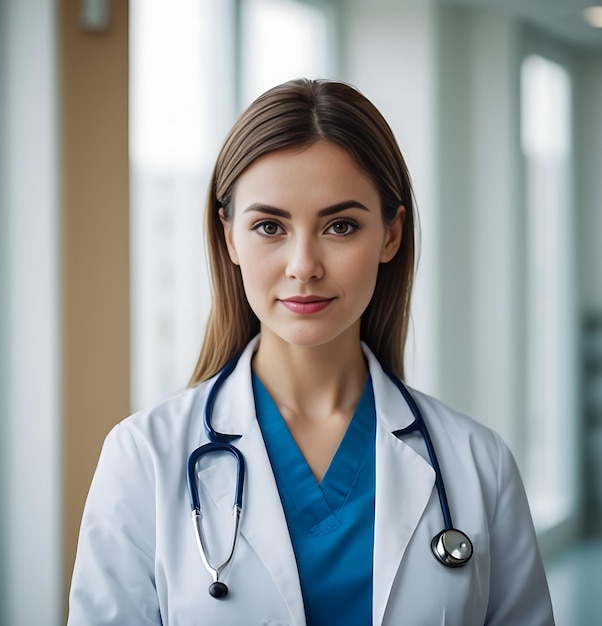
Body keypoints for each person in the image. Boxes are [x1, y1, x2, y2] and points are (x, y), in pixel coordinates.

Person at [67, 78, 555, 625]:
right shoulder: (142, 459)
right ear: (229, 237)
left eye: (340, 226)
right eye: (270, 226)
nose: (304, 265)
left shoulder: (478, 464)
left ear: (391, 235)